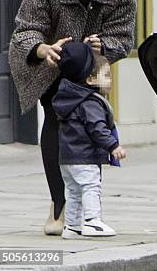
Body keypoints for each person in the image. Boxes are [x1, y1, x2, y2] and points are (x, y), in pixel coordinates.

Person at [9, 0, 136, 235]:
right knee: (57, 117)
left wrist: (103, 46)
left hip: (95, 65)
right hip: (54, 64)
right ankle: (59, 204)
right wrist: (43, 49)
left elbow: (124, 37)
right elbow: (25, 30)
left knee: (95, 125)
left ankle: (89, 209)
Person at [52, 41, 126, 239]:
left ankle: (72, 227)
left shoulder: (68, 97)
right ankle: (92, 221)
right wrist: (113, 146)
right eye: (107, 76)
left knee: (73, 191)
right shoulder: (90, 102)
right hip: (85, 157)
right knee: (91, 186)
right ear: (91, 79)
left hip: (67, 158)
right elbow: (96, 128)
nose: (110, 80)